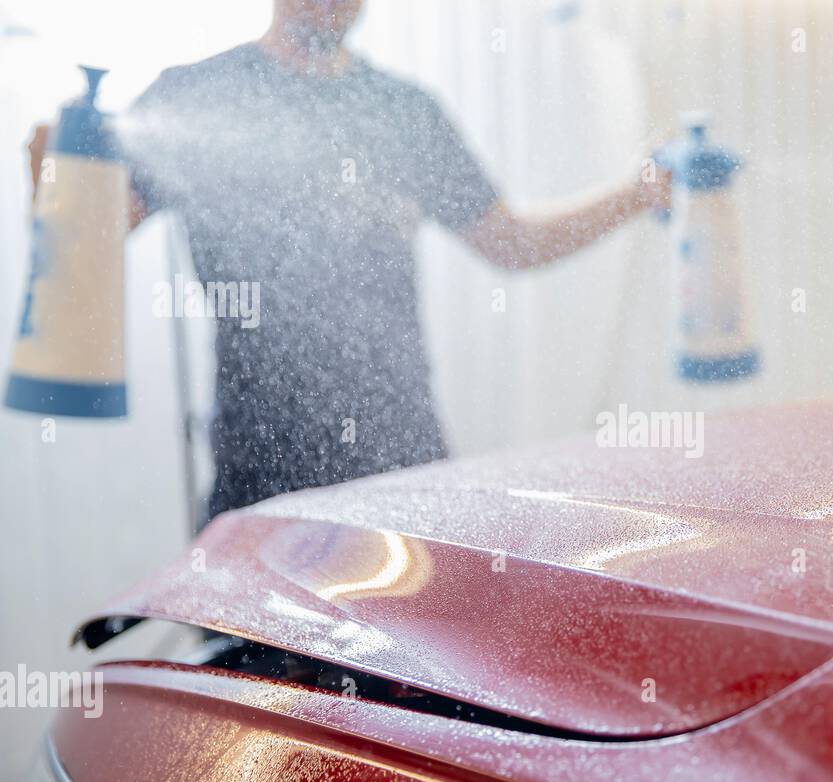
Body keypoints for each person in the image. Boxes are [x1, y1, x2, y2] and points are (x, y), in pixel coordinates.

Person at [27, 0, 670, 520]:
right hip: (263, 468)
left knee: (416, 668)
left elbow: (513, 243)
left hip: (402, 458)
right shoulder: (197, 95)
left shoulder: (405, 112)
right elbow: (96, 238)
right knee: (267, 678)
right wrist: (55, 184)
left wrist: (634, 195)